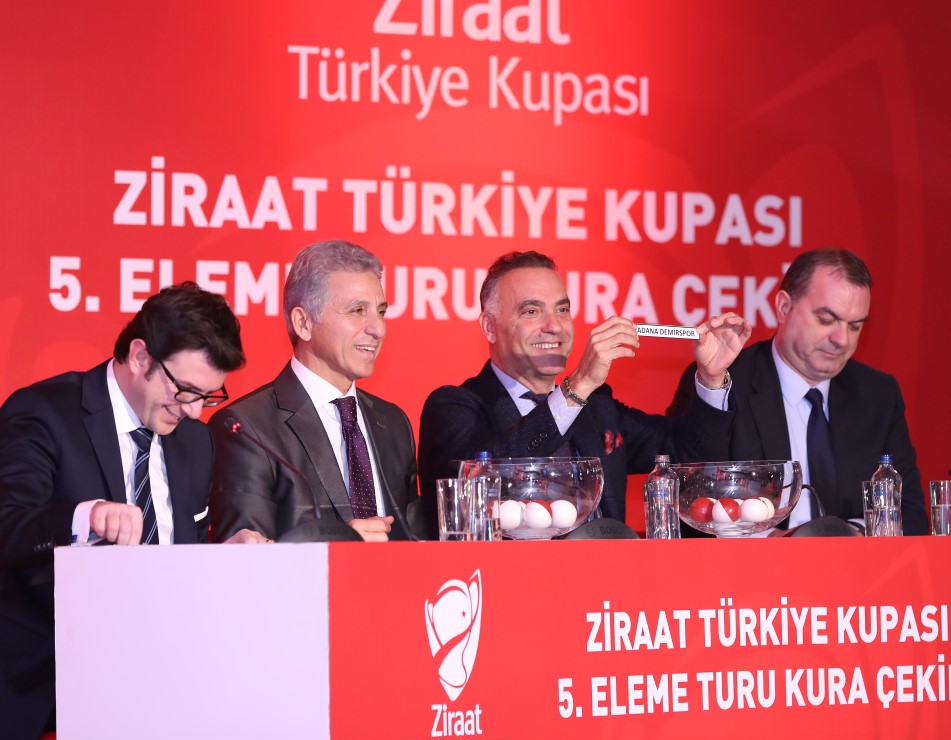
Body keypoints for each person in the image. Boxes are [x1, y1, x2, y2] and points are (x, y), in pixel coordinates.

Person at [0, 282, 245, 740]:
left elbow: (183, 564)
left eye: (208, 396)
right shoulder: (45, 413)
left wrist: (224, 562)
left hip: (169, 681)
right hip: (58, 680)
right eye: (185, 390)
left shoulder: (195, 442)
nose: (194, 410)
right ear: (139, 356)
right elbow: (6, 526)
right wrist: (83, 518)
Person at [417, 250, 752, 539]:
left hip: (608, 587)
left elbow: (687, 455)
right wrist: (576, 387)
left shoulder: (596, 408)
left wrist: (712, 377)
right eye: (532, 311)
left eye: (562, 310)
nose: (555, 326)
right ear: (490, 327)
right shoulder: (455, 407)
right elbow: (486, 477)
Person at [667, 247, 927, 534]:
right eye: (826, 320)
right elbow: (689, 502)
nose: (842, 339)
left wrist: (850, 535)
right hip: (754, 560)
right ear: (783, 307)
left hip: (858, 558)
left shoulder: (878, 395)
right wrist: (776, 542)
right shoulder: (723, 383)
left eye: (855, 326)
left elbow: (910, 513)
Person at [209, 240, 420, 543]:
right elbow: (245, 557)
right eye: (357, 310)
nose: (378, 329)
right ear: (303, 323)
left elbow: (414, 540)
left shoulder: (393, 422)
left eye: (381, 312)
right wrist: (338, 545)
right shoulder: (246, 428)